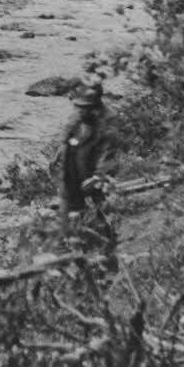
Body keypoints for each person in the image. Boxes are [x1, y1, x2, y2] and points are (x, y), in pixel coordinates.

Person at [57, 86, 118, 257]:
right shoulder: (79, 114)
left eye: (85, 107)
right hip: (72, 170)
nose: (80, 111)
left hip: (94, 174)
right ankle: (71, 253)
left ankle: (107, 251)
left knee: (102, 214)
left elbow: (109, 152)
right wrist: (61, 149)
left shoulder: (109, 120)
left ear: (96, 106)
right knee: (68, 214)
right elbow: (68, 132)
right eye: (79, 106)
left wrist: (98, 176)